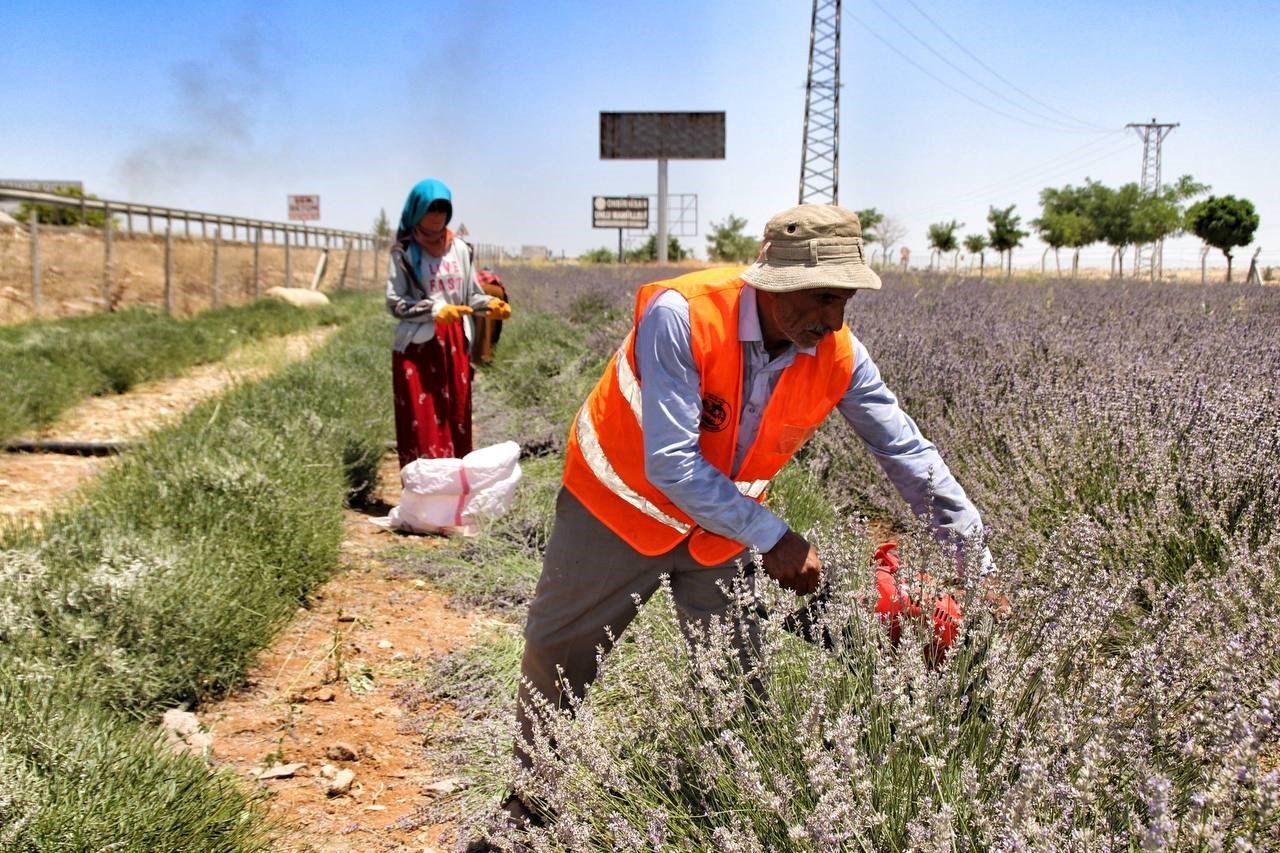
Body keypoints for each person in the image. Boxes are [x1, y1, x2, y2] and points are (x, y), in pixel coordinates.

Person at [499, 203, 996, 830]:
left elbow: (906, 452)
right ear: (774, 279)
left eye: (843, 300)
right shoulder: (681, 316)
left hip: (719, 530)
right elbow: (672, 465)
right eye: (820, 298)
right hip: (616, 512)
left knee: (736, 678)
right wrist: (774, 536)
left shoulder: (838, 352)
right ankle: (526, 811)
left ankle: (730, 814)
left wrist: (972, 560)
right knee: (558, 655)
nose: (832, 318)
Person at [385, 179, 511, 469]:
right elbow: (395, 303)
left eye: (444, 208)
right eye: (432, 208)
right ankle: (423, 494)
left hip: (455, 344)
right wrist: (434, 310)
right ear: (417, 210)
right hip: (418, 348)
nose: (438, 215)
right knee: (423, 421)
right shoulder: (403, 253)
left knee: (455, 416)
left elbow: (470, 296)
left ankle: (452, 490)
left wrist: (490, 305)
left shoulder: (460, 250)